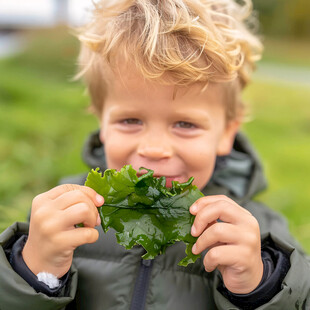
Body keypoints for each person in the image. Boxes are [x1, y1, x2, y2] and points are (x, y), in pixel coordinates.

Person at [0, 0, 309, 309]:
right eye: (130, 121)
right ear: (102, 122)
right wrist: (37, 272)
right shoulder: (65, 217)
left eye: (185, 124)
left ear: (227, 133)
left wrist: (257, 284)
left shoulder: (262, 234)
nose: (154, 149)